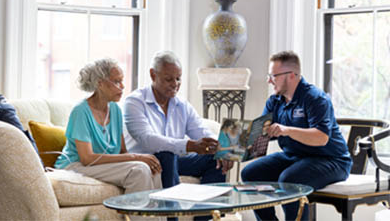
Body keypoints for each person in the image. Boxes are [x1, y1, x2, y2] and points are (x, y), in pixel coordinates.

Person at [241, 51, 352, 221]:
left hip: (331, 160)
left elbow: (321, 137)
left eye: (273, 76)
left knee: (289, 180)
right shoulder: (274, 101)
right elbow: (262, 135)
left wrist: (286, 130)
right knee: (250, 173)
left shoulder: (315, 98)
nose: (269, 80)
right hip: (295, 157)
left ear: (291, 76)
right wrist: (229, 150)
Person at [123, 51, 233, 221]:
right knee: (167, 154)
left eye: (178, 78)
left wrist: (222, 150)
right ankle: (171, 218)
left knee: (213, 159)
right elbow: (147, 139)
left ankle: (204, 218)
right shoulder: (135, 102)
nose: (175, 84)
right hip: (145, 162)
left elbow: (202, 132)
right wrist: (189, 145)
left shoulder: (182, 105)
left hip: (174, 162)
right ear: (153, 75)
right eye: (169, 79)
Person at [54, 58, 163, 220]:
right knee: (139, 170)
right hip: (76, 165)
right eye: (117, 81)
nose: (123, 86)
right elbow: (87, 158)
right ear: (100, 83)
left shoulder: (116, 110)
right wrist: (137, 157)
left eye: (122, 81)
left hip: (102, 165)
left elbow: (122, 151)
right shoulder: (81, 111)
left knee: (152, 168)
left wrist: (142, 159)